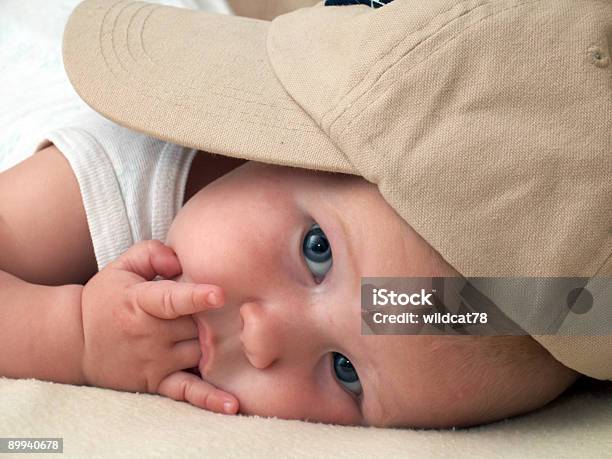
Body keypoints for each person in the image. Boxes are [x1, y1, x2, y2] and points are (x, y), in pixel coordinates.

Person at [1, 0, 610, 429]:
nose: (264, 339)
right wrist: (74, 333)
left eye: (346, 373)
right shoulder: (119, 166)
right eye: (316, 250)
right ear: (283, 146)